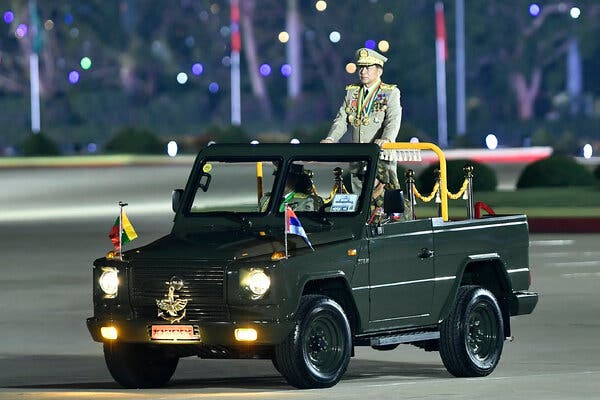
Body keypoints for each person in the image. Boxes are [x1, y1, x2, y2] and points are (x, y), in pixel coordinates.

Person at [321, 47, 402, 192]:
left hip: (381, 156)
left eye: (367, 67)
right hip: (358, 157)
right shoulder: (352, 92)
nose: (362, 71)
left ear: (379, 71)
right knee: (360, 201)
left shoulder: (390, 93)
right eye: (360, 67)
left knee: (384, 203)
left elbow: (393, 120)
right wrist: (331, 139)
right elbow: (341, 119)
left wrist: (387, 139)